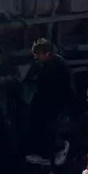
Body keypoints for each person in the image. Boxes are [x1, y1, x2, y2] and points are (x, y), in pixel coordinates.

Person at [22, 38, 73, 167]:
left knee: (49, 130)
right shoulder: (45, 63)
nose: (35, 57)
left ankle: (52, 154)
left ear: (47, 53)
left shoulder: (59, 67)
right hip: (44, 103)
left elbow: (65, 89)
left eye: (37, 54)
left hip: (54, 105)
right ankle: (44, 151)